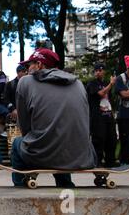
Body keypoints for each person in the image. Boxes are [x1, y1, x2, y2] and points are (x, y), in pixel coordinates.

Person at [12, 48, 97, 187]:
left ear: (39, 65)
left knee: (17, 143)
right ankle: (65, 183)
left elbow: (24, 125)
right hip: (82, 155)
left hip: (42, 153)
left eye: (29, 66)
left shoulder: (25, 82)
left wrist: (31, 141)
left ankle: (21, 187)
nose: (27, 70)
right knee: (60, 139)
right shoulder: (78, 83)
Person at [86, 63, 118, 167]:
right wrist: (111, 84)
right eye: (97, 70)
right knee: (99, 140)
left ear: (104, 71)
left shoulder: (105, 83)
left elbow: (109, 99)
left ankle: (110, 162)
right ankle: (97, 162)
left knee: (112, 139)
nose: (99, 72)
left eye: (101, 70)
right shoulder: (92, 83)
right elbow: (101, 94)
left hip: (108, 115)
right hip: (97, 117)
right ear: (94, 72)